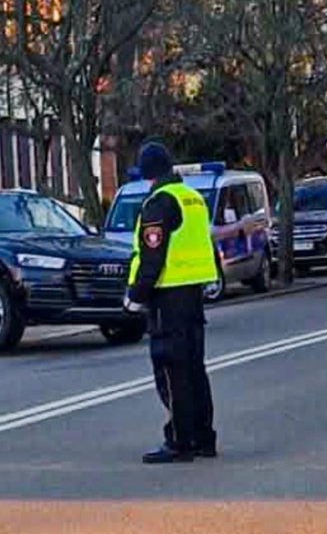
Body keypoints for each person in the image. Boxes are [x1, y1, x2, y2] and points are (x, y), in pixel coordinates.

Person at [124, 142, 219, 464]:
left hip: (168, 297)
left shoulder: (159, 202)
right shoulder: (192, 198)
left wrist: (136, 296)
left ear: (148, 174)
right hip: (193, 294)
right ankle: (204, 437)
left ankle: (180, 441)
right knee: (194, 368)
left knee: (171, 370)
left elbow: (152, 255)